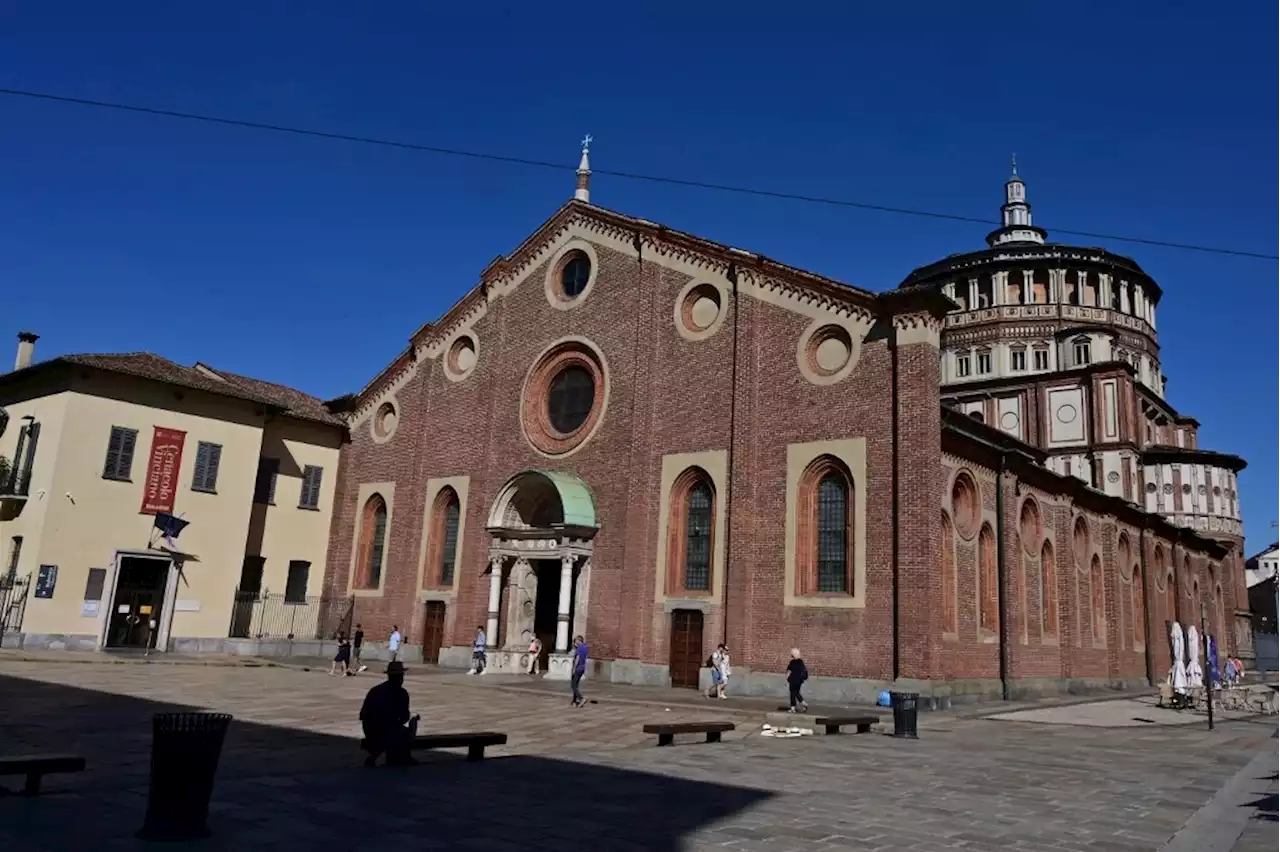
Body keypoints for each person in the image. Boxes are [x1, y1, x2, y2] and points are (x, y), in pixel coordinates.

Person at [359, 661, 420, 766]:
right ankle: (404, 756)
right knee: (405, 730)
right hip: (387, 732)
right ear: (400, 677)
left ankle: (378, 755)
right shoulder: (401, 693)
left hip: (369, 730)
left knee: (390, 729)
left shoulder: (375, 690)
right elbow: (404, 717)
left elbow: (363, 714)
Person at [786, 647, 809, 713]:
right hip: (799, 680)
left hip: (793, 679)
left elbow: (789, 671)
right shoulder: (801, 662)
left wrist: (787, 679)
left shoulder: (792, 662)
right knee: (796, 692)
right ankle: (804, 703)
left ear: (793, 654)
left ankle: (793, 708)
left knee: (792, 693)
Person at [570, 635, 589, 707]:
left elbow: (577, 658)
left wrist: (574, 669)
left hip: (577, 668)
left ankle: (581, 698)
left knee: (573, 685)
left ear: (579, 641)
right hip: (582, 668)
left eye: (576, 641)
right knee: (576, 685)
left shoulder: (579, 648)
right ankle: (574, 701)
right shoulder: (585, 647)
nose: (575, 642)